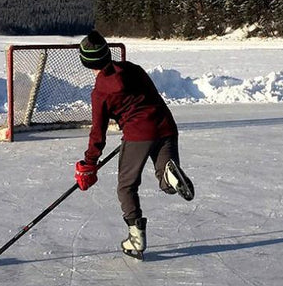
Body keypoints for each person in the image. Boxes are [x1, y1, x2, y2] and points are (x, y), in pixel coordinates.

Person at [73, 30, 194, 260]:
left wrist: (89, 163)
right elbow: (151, 96)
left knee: (126, 187)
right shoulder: (133, 68)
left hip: (138, 135)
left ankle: (136, 239)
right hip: (166, 126)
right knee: (167, 183)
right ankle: (169, 175)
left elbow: (97, 133)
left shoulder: (100, 92)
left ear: (87, 63)